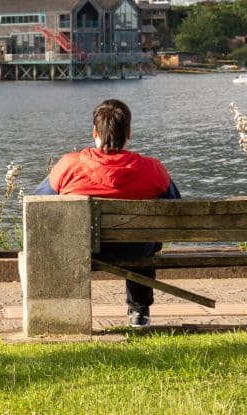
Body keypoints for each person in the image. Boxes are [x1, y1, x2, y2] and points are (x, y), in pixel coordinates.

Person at [35, 98, 180, 329]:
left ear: (94, 131)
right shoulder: (153, 169)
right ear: (129, 133)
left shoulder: (68, 165)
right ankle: (139, 312)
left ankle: (66, 311)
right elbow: (175, 207)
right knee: (144, 238)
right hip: (136, 250)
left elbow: (39, 203)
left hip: (82, 249)